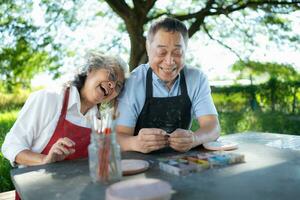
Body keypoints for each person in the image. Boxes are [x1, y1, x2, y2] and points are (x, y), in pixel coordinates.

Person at [1, 51, 127, 167]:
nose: (113, 85)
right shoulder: (49, 98)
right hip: (36, 187)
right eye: (112, 75)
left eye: (119, 85)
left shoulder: (100, 120)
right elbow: (11, 146)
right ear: (90, 69)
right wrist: (45, 160)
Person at [116, 17, 220, 153]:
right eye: (162, 52)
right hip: (140, 163)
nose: (169, 61)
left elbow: (212, 127)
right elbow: (118, 136)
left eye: (177, 53)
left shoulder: (197, 78)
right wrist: (135, 143)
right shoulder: (132, 82)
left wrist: (194, 138)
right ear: (148, 48)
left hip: (181, 162)